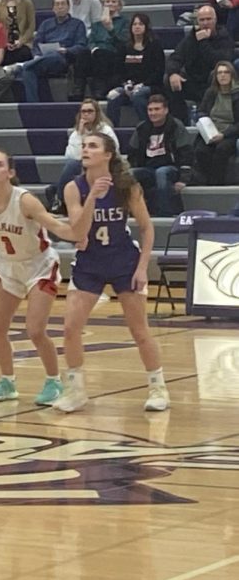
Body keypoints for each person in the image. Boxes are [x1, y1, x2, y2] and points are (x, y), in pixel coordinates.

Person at [0, 151, 102, 404]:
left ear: (10, 172)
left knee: (35, 330)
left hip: (39, 265)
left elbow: (53, 225)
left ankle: (54, 381)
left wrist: (76, 233)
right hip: (8, 267)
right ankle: (7, 382)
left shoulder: (25, 200)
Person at [54, 132, 170, 412]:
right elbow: (77, 231)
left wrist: (143, 267)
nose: (85, 149)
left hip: (123, 260)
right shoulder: (74, 188)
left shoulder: (127, 186)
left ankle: (158, 388)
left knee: (139, 329)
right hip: (90, 261)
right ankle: (76, 391)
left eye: (92, 146)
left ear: (108, 155)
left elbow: (147, 227)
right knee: (70, 328)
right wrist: (92, 196)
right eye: (83, 145)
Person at [3, 0, 87, 103]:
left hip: (63, 59)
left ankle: (22, 64)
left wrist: (67, 50)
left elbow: (82, 46)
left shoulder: (77, 24)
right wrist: (37, 54)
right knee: (28, 70)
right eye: (57, 4)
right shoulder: (46, 24)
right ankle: (33, 105)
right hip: (42, 59)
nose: (60, 7)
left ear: (68, 7)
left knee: (54, 55)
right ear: (53, 9)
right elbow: (36, 44)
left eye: (63, 4)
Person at [163, 5, 235, 125]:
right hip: (194, 81)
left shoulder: (224, 37)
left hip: (212, 82)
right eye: (202, 20)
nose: (205, 23)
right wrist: (173, 73)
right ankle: (180, 121)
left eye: (208, 19)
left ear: (215, 20)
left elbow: (219, 61)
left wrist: (203, 42)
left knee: (217, 74)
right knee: (168, 79)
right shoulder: (191, 37)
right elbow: (175, 57)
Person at [46, 99, 117, 214]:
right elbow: (70, 156)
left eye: (90, 111)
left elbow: (114, 151)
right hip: (83, 165)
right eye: (83, 111)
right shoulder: (76, 133)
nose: (86, 114)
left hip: (103, 165)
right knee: (71, 164)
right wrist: (80, 134)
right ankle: (59, 200)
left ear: (97, 113)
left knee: (72, 166)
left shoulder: (106, 130)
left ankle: (57, 195)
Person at [128, 95, 194, 217]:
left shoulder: (175, 125)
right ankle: (134, 212)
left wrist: (184, 179)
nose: (153, 113)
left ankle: (165, 214)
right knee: (129, 175)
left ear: (166, 110)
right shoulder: (142, 128)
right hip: (148, 169)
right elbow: (132, 153)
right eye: (150, 110)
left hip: (171, 167)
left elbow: (186, 152)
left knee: (161, 173)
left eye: (157, 109)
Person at [104, 13, 165, 127]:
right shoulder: (125, 47)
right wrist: (124, 84)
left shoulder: (154, 46)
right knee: (113, 97)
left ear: (146, 27)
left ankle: (146, 125)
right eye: (134, 24)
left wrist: (142, 84)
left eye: (140, 24)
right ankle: (112, 129)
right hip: (128, 85)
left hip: (150, 85)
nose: (137, 27)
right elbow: (118, 71)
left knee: (138, 95)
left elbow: (158, 72)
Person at [71, 0, 129, 100]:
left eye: (113, 1)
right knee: (82, 53)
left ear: (119, 5)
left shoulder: (125, 23)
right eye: (107, 2)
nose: (110, 4)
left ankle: (99, 89)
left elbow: (123, 44)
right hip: (96, 52)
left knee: (101, 54)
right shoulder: (97, 24)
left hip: (114, 54)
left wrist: (110, 29)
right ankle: (78, 89)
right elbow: (91, 40)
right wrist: (93, 48)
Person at [193, 61, 239, 185]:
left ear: (232, 75)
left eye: (226, 72)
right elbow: (201, 111)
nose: (222, 75)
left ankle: (216, 183)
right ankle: (204, 182)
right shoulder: (211, 92)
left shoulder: (237, 94)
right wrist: (207, 125)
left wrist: (224, 135)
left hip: (230, 133)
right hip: (211, 131)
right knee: (201, 150)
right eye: (219, 73)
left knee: (221, 149)